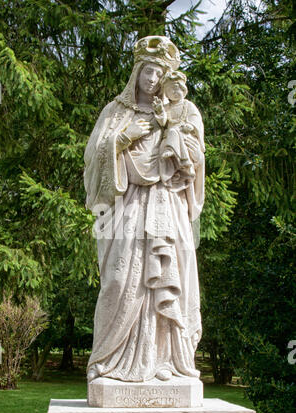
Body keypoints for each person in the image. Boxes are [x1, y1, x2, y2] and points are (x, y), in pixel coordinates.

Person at [84, 36, 205, 383]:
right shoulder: (115, 112)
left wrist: (172, 132)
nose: (152, 79)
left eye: (158, 74)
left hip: (166, 201)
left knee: (171, 277)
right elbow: (93, 158)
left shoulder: (178, 111)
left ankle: (164, 361)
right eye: (147, 71)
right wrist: (123, 138)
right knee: (122, 279)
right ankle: (109, 361)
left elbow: (195, 158)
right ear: (137, 72)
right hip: (128, 204)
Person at [153, 70, 205, 191]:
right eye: (171, 90)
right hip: (169, 137)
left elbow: (195, 118)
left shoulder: (188, 105)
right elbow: (163, 122)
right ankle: (172, 162)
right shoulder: (167, 107)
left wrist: (190, 126)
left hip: (183, 134)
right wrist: (160, 111)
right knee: (169, 136)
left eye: (177, 89)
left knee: (174, 132)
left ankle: (180, 158)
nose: (175, 93)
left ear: (183, 90)